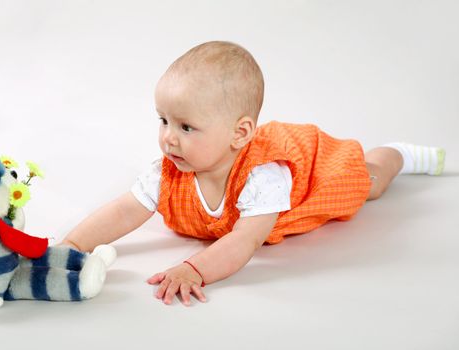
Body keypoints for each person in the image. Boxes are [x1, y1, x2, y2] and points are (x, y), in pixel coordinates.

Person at [61, 41, 446, 306]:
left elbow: (245, 240)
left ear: (239, 133)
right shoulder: (168, 172)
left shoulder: (263, 176)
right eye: (163, 121)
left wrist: (194, 269)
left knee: (368, 182)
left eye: (186, 127)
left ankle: (399, 154)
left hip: (312, 173)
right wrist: (73, 244)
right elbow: (126, 209)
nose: (168, 139)